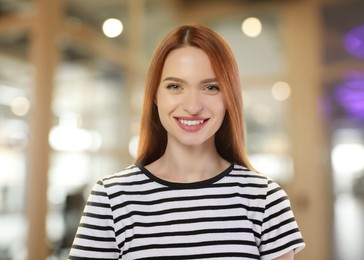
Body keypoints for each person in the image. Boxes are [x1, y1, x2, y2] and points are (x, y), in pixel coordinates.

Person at [68, 24, 305, 260]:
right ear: (155, 97)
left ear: (228, 98)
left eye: (211, 87)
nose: (192, 106)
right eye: (175, 86)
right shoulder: (111, 198)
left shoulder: (265, 199)